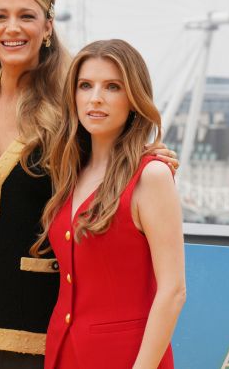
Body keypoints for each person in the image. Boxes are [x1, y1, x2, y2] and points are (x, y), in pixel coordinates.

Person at [0, 0, 179, 368]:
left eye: (26, 16)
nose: (12, 27)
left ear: (47, 26)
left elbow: (112, 156)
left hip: (39, 331)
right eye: (0, 16)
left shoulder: (72, 107)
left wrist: (150, 157)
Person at [39, 39, 186, 369]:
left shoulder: (151, 176)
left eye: (112, 87)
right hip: (62, 354)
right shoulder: (70, 174)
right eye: (85, 85)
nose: (95, 98)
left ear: (133, 98)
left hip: (126, 358)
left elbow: (173, 291)